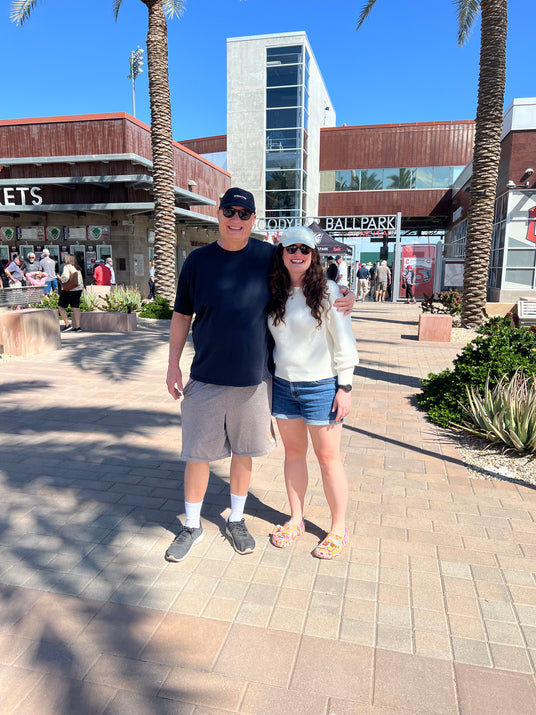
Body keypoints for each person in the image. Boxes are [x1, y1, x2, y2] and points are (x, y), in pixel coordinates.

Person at [164, 187, 354, 563]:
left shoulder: (269, 257)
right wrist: (173, 364)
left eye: (244, 213)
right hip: (208, 377)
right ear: (218, 214)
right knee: (198, 456)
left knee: (245, 454)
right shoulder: (197, 261)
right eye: (229, 211)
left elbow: (311, 282)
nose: (236, 219)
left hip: (257, 381)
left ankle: (238, 519)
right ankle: (191, 525)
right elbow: (182, 316)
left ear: (253, 220)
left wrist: (343, 292)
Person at [267, 226, 359, 559]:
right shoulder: (273, 291)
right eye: (291, 248)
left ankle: (338, 528)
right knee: (293, 455)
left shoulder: (329, 291)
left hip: (322, 386)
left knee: (328, 459)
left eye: (304, 250)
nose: (297, 254)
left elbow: (344, 342)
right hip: (283, 385)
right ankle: (296, 519)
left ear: (313, 255)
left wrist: (345, 387)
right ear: (281, 252)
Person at [57, 254, 83, 332]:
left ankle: (67, 324)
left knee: (61, 306)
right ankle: (78, 327)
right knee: (75, 307)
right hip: (78, 289)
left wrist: (60, 278)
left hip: (68, 290)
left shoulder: (67, 267)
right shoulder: (77, 268)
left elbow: (65, 278)